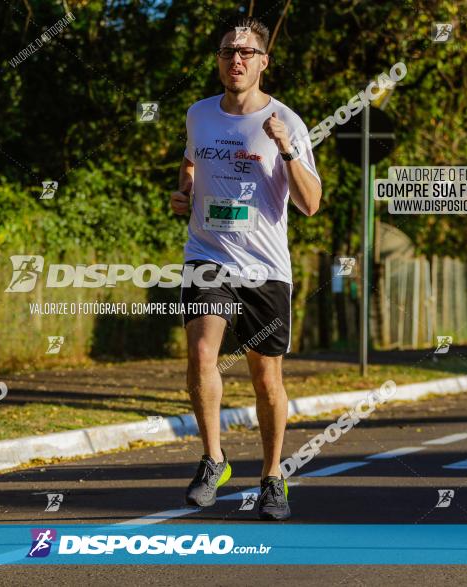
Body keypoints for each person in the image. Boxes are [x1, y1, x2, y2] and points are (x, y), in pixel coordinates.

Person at [170, 16, 322, 521]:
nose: (235, 60)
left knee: (266, 379)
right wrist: (185, 192)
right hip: (207, 254)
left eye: (245, 53)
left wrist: (284, 148)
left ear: (263, 63)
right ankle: (213, 459)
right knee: (200, 352)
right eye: (227, 52)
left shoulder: (288, 122)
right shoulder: (199, 115)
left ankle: (273, 477)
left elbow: (310, 203)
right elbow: (191, 163)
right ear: (218, 60)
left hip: (264, 266)